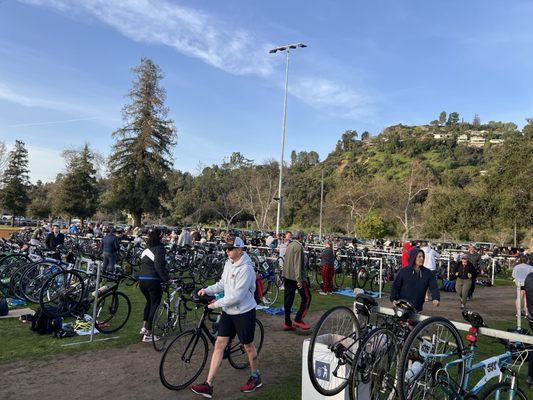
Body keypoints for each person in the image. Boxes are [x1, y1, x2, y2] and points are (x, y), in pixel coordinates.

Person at [191, 237, 261, 397]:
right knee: (219, 344)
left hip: (244, 312)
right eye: (226, 248)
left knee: (248, 346)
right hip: (229, 312)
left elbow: (237, 296)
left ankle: (255, 376)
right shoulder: (228, 263)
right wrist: (206, 290)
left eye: (230, 248)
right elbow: (222, 283)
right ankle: (208, 384)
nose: (227, 251)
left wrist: (215, 304)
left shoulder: (246, 269)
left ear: (240, 249)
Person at [138, 228, 170, 343]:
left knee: (149, 302)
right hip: (153, 279)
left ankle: (144, 327)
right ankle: (148, 333)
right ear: (160, 236)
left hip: (142, 279)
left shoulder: (146, 248)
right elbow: (158, 266)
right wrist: (166, 279)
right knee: (154, 305)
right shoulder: (160, 248)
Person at [390, 248, 440, 312]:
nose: (422, 259)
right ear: (413, 258)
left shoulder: (428, 273)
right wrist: (393, 299)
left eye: (423, 257)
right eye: (419, 257)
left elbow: (434, 287)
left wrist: (436, 298)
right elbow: (395, 286)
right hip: (402, 306)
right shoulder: (403, 271)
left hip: (417, 308)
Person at [282, 230, 311, 331]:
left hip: (287, 276)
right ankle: (298, 319)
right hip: (297, 277)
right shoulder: (298, 247)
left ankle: (287, 322)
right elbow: (297, 264)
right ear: (300, 237)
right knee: (307, 298)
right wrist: (299, 280)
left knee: (288, 300)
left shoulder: (290, 245)